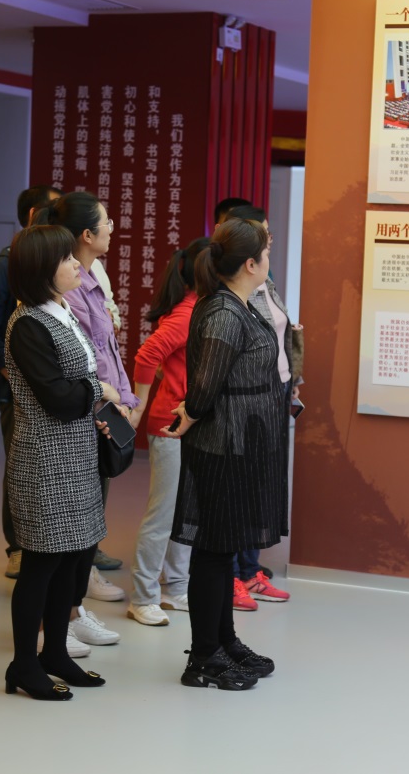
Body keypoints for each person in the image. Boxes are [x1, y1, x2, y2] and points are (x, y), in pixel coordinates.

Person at [165, 218, 286, 690]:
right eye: (266, 255)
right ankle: (203, 657)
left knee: (223, 549)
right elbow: (205, 386)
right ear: (250, 264)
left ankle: (225, 642)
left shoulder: (240, 304)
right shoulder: (223, 312)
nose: (270, 261)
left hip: (241, 444)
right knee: (213, 554)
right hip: (222, 447)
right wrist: (192, 411)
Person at [3, 224, 118, 700]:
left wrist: (94, 401)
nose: (76, 265)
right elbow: (57, 396)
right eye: (66, 259)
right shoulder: (27, 323)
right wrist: (99, 389)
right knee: (41, 564)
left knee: (71, 558)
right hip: (45, 459)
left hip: (76, 453)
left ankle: (55, 653)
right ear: (41, 269)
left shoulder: (62, 309)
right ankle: (23, 664)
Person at [49, 191, 137, 639]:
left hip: (106, 405)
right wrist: (114, 402)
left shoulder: (92, 275)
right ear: (86, 234)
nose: (112, 228)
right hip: (91, 409)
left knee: (90, 516)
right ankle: (63, 616)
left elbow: (109, 350)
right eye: (106, 222)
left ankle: (74, 607)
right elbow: (87, 357)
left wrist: (127, 398)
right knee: (75, 520)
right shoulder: (70, 285)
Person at [125, 237, 211, 627]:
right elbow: (147, 355)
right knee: (163, 513)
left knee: (187, 512)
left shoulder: (199, 309)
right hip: (169, 424)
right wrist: (140, 404)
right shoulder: (188, 313)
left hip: (189, 424)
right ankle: (143, 597)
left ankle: (175, 587)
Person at [222, 205, 297, 611]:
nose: (269, 238)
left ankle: (250, 570)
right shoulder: (231, 296)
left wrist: (292, 379)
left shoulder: (265, 281)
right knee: (239, 491)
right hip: (247, 402)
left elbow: (279, 331)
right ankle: (232, 575)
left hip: (275, 393)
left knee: (260, 489)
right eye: (262, 233)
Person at [0, 185, 53, 580]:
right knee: (20, 468)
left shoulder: (55, 269)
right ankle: (18, 546)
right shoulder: (6, 265)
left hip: (48, 391)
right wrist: (13, 372)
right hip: (15, 390)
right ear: (36, 215)